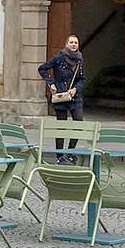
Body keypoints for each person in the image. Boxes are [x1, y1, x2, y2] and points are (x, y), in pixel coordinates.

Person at [39, 35, 85, 163]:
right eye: (71, 42)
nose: (74, 44)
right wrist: (51, 83)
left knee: (78, 122)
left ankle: (70, 152)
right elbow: (42, 69)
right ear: (66, 44)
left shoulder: (80, 60)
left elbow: (82, 79)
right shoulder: (59, 58)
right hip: (61, 96)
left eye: (76, 42)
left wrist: (76, 89)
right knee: (61, 125)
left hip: (75, 97)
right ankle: (59, 155)